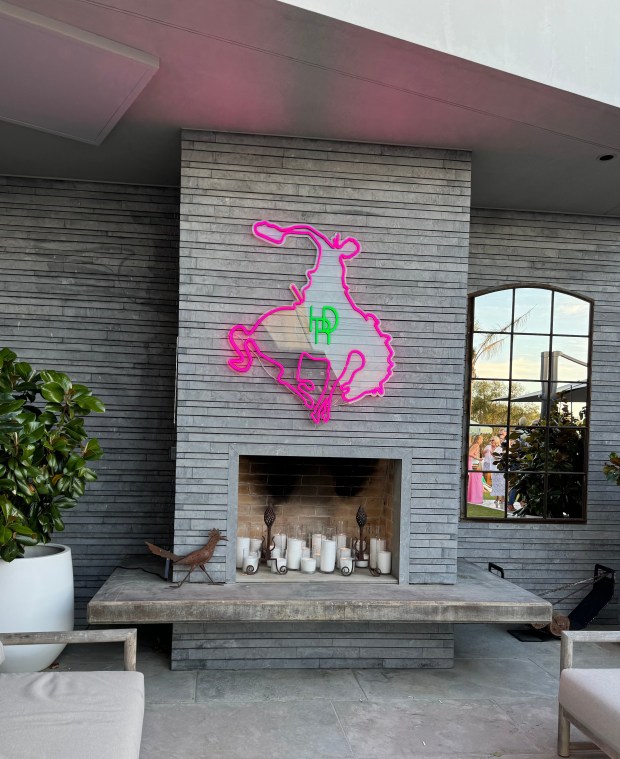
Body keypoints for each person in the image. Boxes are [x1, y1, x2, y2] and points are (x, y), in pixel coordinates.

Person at [467, 434, 484, 505]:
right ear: (478, 439)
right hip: (474, 464)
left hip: (472, 463)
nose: (482, 440)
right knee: (477, 481)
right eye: (481, 439)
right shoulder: (476, 445)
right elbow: (470, 453)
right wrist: (478, 458)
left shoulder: (473, 445)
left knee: (474, 481)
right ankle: (476, 499)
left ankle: (472, 498)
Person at [490, 434, 505, 508]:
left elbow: (500, 458)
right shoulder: (491, 448)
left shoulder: (499, 448)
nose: (491, 441)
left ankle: (502, 498)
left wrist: (493, 455)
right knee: (495, 483)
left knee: (501, 483)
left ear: (496, 441)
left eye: (492, 440)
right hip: (493, 469)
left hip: (499, 468)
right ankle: (497, 498)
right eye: (490, 440)